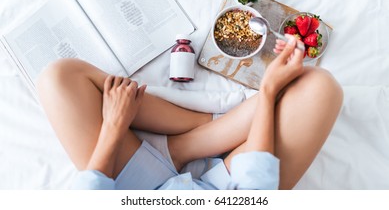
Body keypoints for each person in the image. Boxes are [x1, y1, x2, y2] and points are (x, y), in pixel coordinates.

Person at [36, 35, 343, 190]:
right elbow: (256, 180)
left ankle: (186, 144)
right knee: (319, 87)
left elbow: (92, 196)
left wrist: (115, 126)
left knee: (60, 78)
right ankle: (204, 136)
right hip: (220, 192)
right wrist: (267, 92)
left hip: (137, 190)